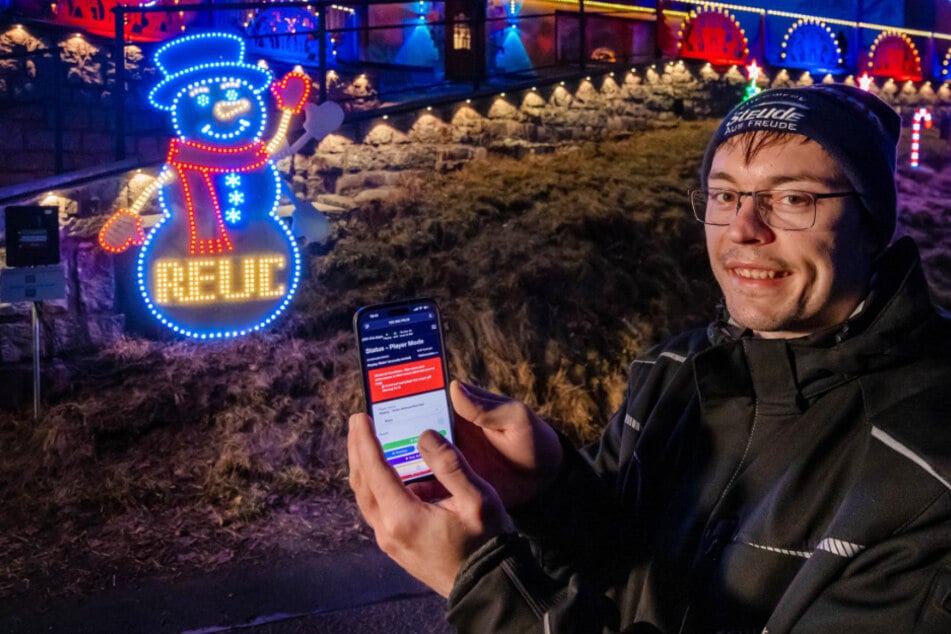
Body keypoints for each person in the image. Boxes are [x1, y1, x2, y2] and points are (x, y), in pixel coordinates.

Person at [347, 85, 951, 632]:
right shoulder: (672, 374)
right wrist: (552, 488)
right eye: (724, 195)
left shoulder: (926, 474)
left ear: (871, 225)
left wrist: (482, 586)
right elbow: (621, 565)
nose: (742, 228)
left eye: (792, 198)